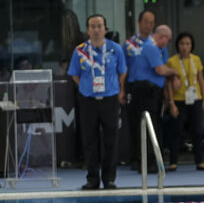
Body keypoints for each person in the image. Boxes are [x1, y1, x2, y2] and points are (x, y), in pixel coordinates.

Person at [67, 14, 126, 190]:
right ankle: (92, 178)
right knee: (89, 140)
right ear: (88, 30)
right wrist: (87, 88)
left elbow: (122, 71)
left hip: (109, 98)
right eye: (92, 26)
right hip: (88, 100)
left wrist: (119, 89)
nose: (96, 29)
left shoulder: (116, 49)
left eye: (99, 26)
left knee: (111, 140)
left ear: (105, 29)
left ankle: (109, 178)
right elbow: (75, 75)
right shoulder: (80, 51)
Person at [127, 24, 175, 173]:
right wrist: (176, 72)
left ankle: (151, 160)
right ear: (162, 37)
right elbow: (161, 70)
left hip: (152, 91)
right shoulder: (151, 47)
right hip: (145, 91)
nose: (167, 43)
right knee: (149, 126)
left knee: (154, 125)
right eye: (167, 40)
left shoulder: (157, 49)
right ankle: (148, 162)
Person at [165, 32, 204, 171]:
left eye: (188, 44)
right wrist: (171, 103)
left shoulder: (196, 60)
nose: (185, 47)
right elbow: (168, 84)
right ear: (178, 45)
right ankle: (173, 162)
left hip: (195, 99)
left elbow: (200, 80)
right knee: (177, 131)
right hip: (179, 100)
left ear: (191, 46)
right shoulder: (172, 61)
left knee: (198, 130)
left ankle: (200, 161)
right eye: (182, 44)